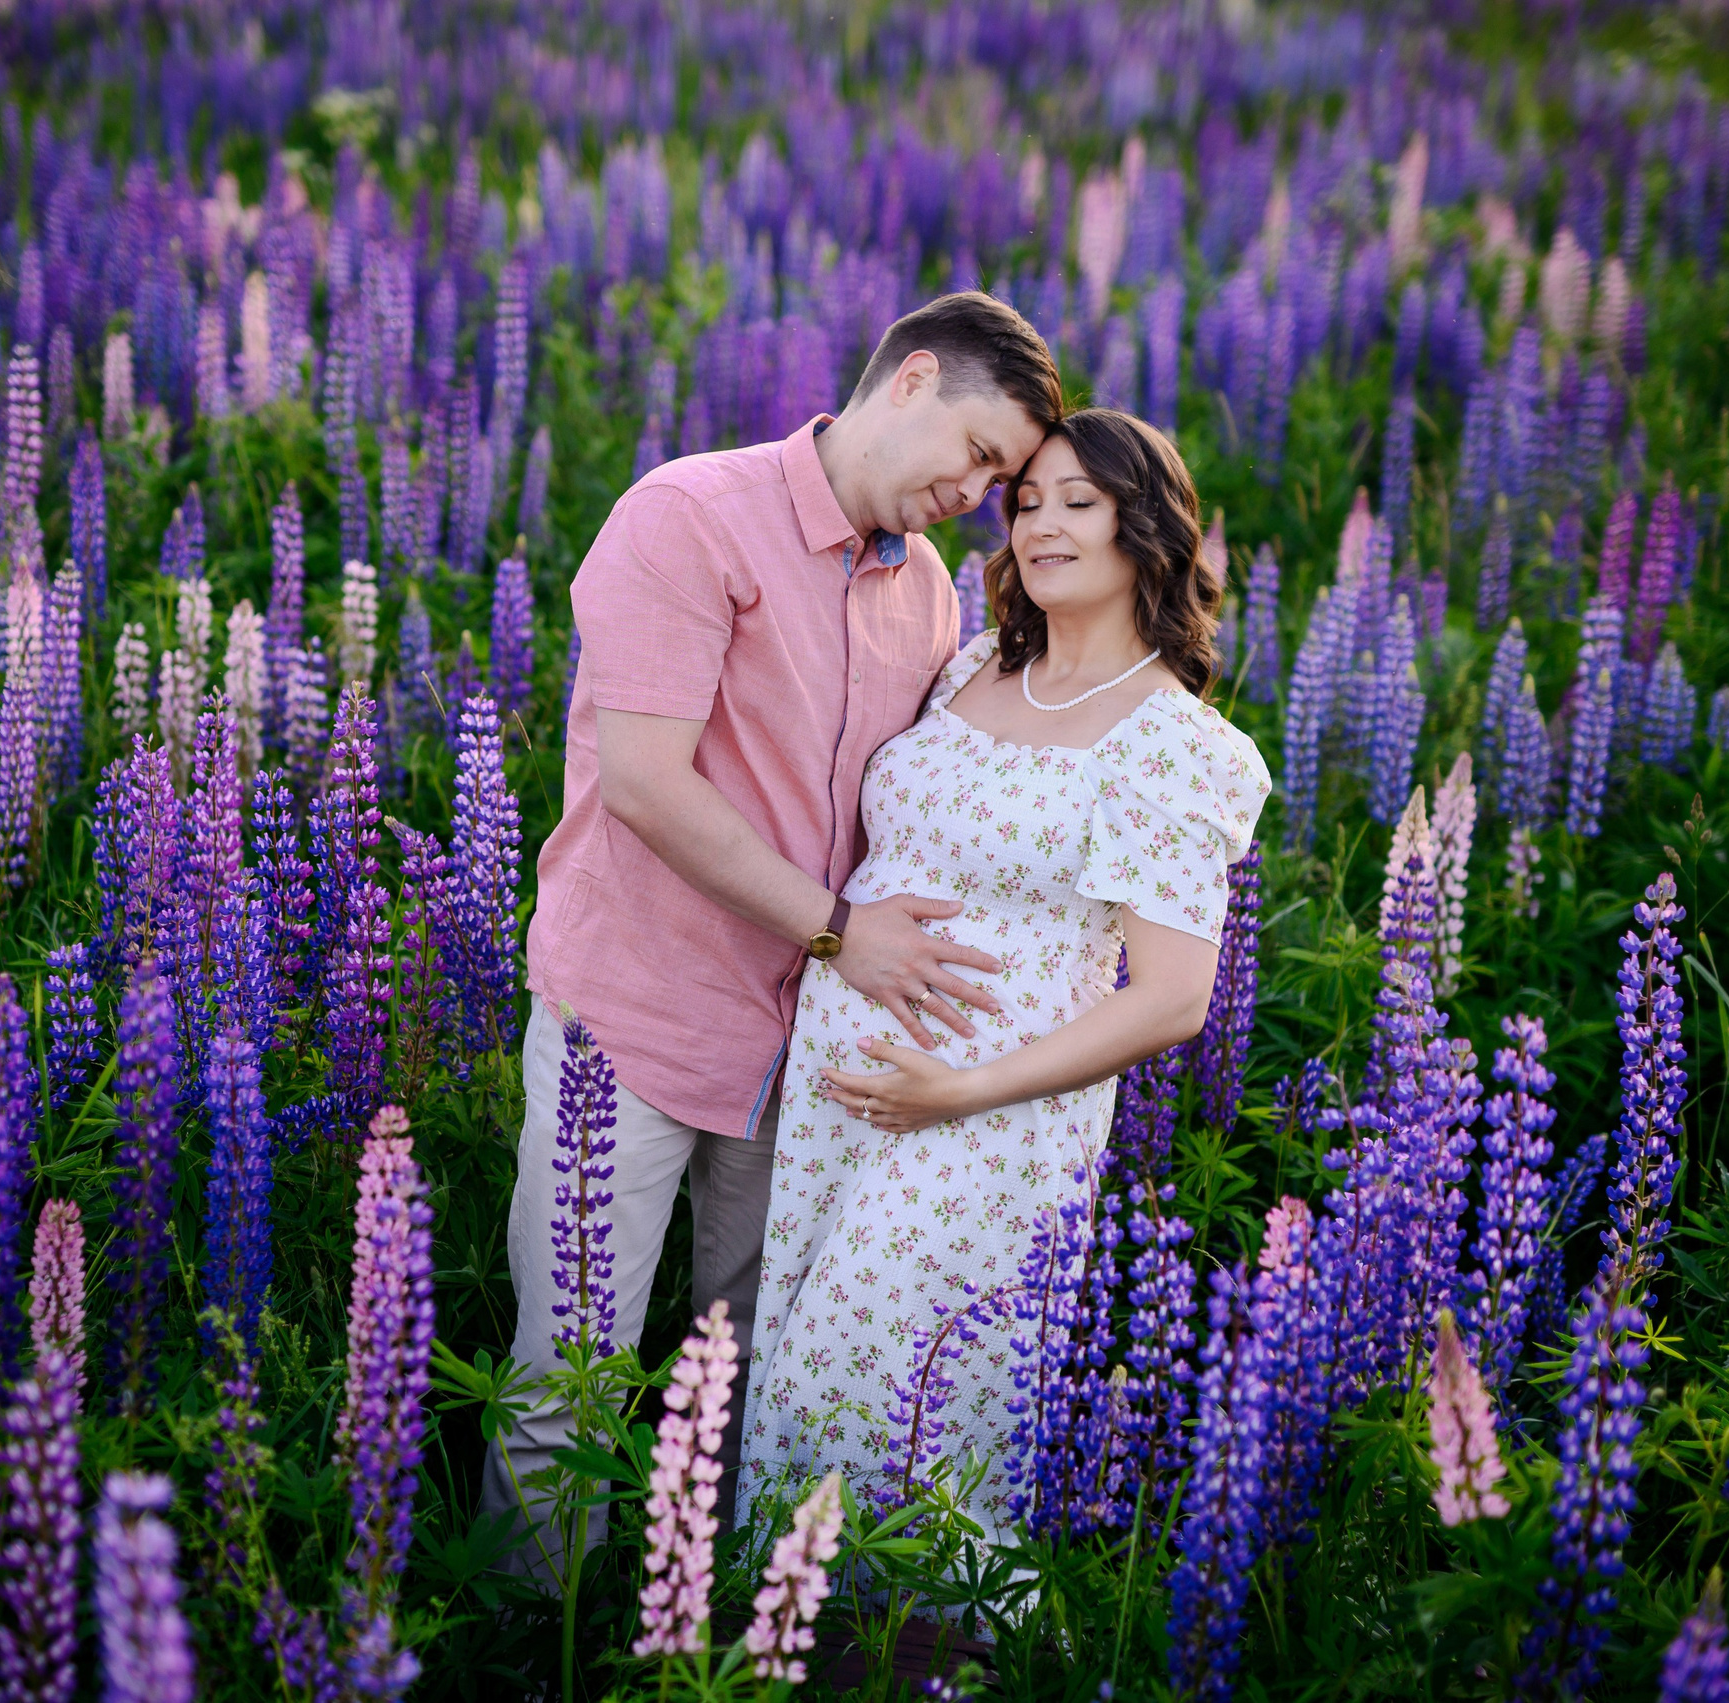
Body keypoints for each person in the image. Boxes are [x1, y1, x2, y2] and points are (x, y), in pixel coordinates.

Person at [484, 292, 1065, 1569]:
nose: (974, 494)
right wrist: (836, 930)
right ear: (909, 379)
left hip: (799, 1055)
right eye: (975, 452)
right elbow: (644, 780)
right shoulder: (689, 515)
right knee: (566, 1379)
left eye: (1001, 480)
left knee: (750, 1387)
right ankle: (526, 1647)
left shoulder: (922, 590)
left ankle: (719, 1629)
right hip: (629, 1026)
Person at [735, 408, 1271, 1547]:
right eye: (1026, 501)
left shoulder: (1173, 742)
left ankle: (925, 1660)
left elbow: (1174, 996)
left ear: (1148, 527)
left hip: (985, 1126)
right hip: (847, 1103)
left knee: (874, 1413)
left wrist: (959, 1091)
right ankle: (792, 1652)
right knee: (797, 1398)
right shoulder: (976, 664)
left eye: (1080, 501)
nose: (1042, 524)